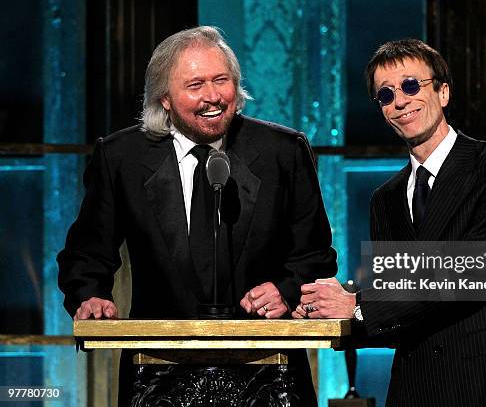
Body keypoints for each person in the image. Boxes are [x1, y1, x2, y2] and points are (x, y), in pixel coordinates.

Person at [58, 26, 336, 405]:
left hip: (268, 368)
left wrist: (286, 290)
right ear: (165, 99)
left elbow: (315, 254)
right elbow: (87, 252)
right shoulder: (121, 156)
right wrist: (89, 295)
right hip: (157, 370)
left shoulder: (283, 151)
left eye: (221, 80)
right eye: (195, 85)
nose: (212, 96)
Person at [293, 38, 486, 406]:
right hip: (414, 385)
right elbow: (397, 308)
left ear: (443, 92)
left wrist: (358, 305)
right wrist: (323, 310)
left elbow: (474, 271)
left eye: (410, 86)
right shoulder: (384, 200)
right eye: (386, 95)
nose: (400, 102)